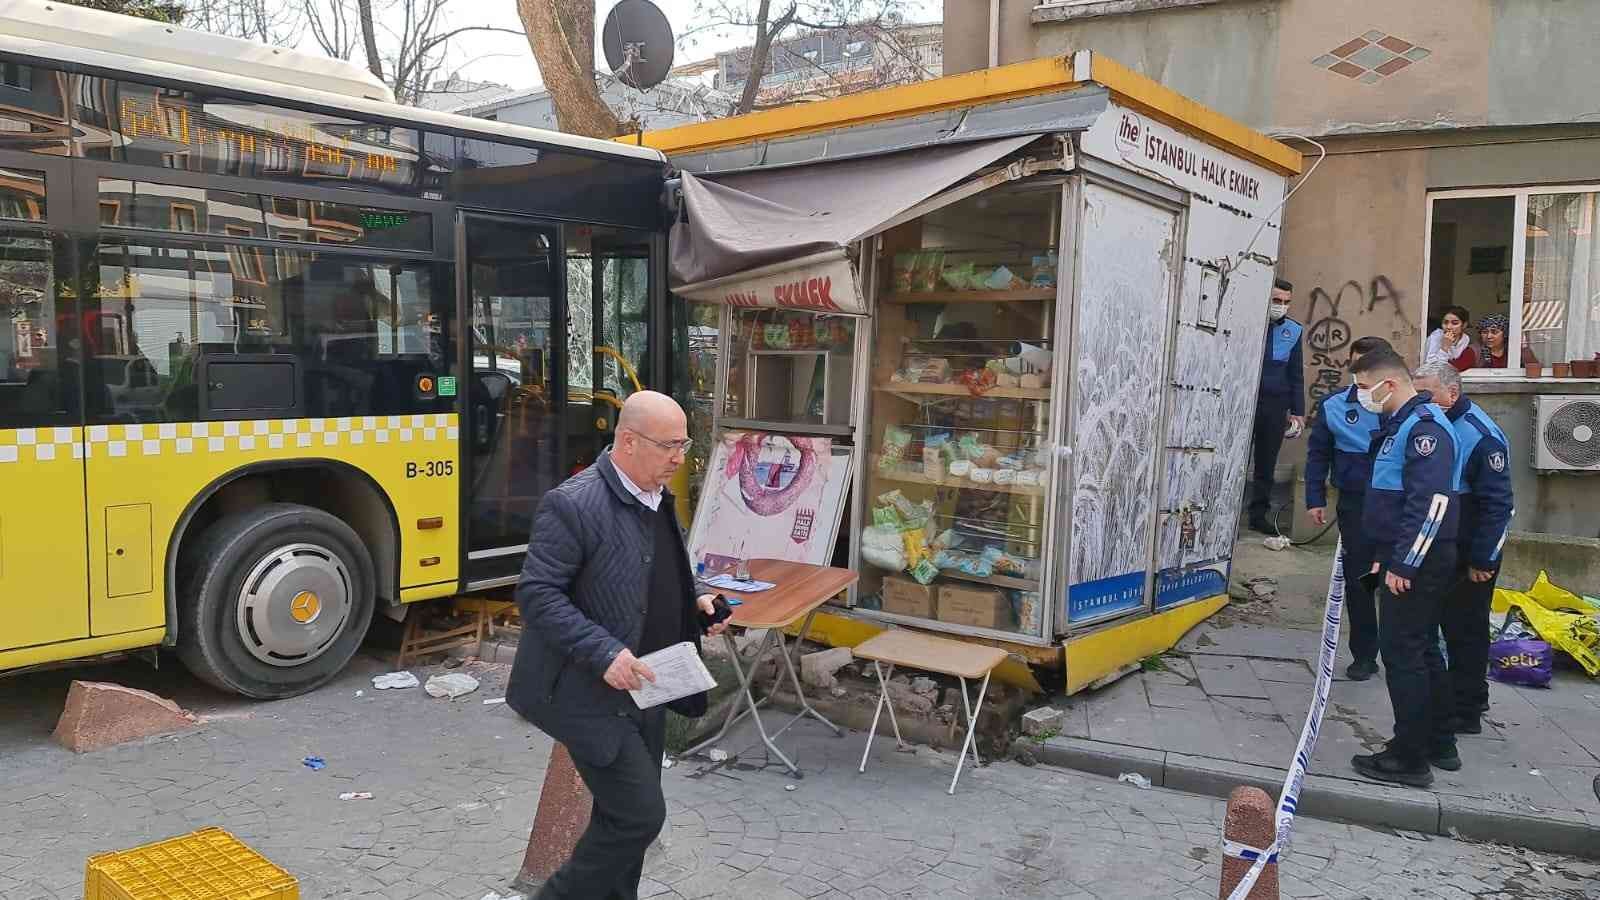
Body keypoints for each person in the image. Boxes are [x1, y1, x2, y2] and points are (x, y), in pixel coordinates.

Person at [506, 390, 729, 900]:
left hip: (645, 686)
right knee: (639, 816)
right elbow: (537, 595)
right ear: (628, 441)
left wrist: (698, 597)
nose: (680, 457)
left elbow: (659, 568)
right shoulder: (573, 504)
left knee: (619, 816)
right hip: (585, 693)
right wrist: (604, 652)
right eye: (670, 445)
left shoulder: (654, 493)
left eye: (684, 443)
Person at [1348, 349, 1460, 788]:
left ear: (1388, 385)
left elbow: (1430, 505)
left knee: (1403, 655)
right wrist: (1384, 554)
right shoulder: (1403, 425)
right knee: (1422, 649)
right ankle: (1433, 739)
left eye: (1363, 387)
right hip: (1398, 555)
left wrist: (1404, 564)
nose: (1360, 396)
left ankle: (1409, 758)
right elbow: (1393, 499)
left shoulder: (1424, 429)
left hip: (1416, 563)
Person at [1411, 362, 1514, 736]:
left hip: (1472, 548)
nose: (1422, 403)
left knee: (1465, 630)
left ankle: (1467, 710)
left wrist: (1483, 558)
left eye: (1428, 396)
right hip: (1444, 543)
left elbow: (1498, 505)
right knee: (1444, 626)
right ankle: (1460, 695)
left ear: (1452, 394)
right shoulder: (1432, 425)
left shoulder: (1481, 436)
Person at [1305, 336, 1392, 681]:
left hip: (1397, 504)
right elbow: (1318, 454)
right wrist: (1315, 497)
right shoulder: (1335, 406)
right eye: (1358, 368)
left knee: (1398, 579)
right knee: (1360, 582)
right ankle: (1365, 654)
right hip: (1356, 504)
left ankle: (1404, 650)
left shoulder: (1402, 405)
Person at [1249, 278, 1305, 533]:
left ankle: (1258, 516)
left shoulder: (1293, 330)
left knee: (1266, 463)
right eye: (1276, 300)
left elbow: (1296, 375)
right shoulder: (1249, 324)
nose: (1281, 306)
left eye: (1286, 302)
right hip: (1245, 402)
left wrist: (1298, 411)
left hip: (1274, 405)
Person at [1423, 305, 1477, 372]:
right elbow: (1432, 368)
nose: (1449, 327)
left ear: (1464, 325)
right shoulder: (1435, 337)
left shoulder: (1465, 339)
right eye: (1445, 322)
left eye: (1455, 323)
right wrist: (1445, 347)